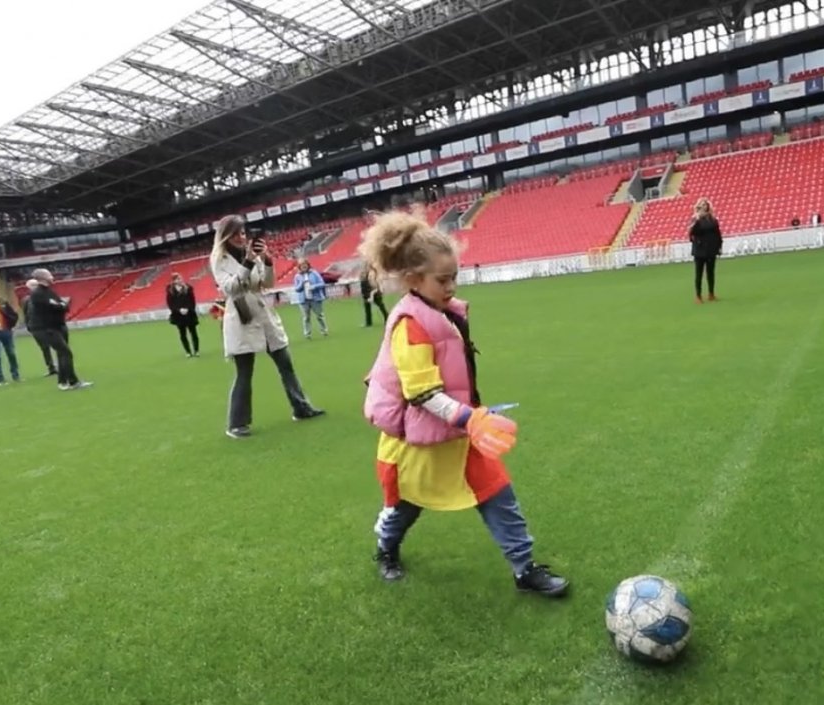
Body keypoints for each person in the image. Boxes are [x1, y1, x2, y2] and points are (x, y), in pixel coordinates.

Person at [358, 211, 569, 597]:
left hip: (459, 433)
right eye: (442, 279)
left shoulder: (444, 312)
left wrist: (467, 420)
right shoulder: (410, 324)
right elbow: (420, 393)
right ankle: (386, 550)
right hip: (414, 445)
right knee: (404, 508)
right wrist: (469, 417)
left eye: (454, 276)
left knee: (498, 495)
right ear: (412, 279)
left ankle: (525, 570)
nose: (451, 285)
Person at [210, 215, 324, 439]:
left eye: (243, 233)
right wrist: (249, 261)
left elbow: (268, 283)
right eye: (235, 234)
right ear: (225, 236)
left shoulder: (250, 252)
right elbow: (231, 289)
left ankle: (301, 407)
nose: (241, 238)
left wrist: (268, 260)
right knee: (244, 371)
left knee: (285, 363)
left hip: (264, 314)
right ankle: (236, 424)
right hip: (242, 316)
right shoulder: (218, 259)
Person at [28, 268, 92, 391]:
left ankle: (62, 382)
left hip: (58, 326)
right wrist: (60, 305)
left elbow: (63, 306)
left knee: (62, 353)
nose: (52, 277)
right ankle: (73, 382)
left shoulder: (49, 292)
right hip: (48, 328)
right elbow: (55, 306)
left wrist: (60, 305)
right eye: (50, 275)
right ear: (42, 278)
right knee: (66, 353)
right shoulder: (38, 293)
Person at [688, 197, 722, 303]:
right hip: (699, 250)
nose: (704, 206)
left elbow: (717, 234)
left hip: (711, 249)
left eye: (705, 204)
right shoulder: (695, 219)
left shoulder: (713, 219)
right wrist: (697, 219)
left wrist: (719, 246)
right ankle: (698, 296)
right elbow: (692, 233)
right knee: (699, 273)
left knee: (710, 272)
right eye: (702, 204)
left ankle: (711, 293)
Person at [22, 279, 57, 376]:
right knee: (44, 347)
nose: (34, 287)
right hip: (36, 328)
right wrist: (28, 325)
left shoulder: (46, 296)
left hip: (49, 325)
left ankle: (61, 365)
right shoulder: (26, 300)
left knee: (57, 345)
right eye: (32, 285)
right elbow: (26, 314)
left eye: (35, 285)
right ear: (28, 287)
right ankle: (51, 367)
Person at [291, 260, 330, 339]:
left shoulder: (314, 273)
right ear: (299, 267)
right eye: (301, 265)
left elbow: (322, 283)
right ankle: (307, 334)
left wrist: (314, 287)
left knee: (319, 315)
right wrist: (301, 284)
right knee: (306, 317)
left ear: (308, 265)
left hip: (315, 298)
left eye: (305, 264)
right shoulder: (297, 276)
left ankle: (324, 330)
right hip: (304, 300)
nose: (304, 266)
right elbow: (296, 289)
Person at [165, 273, 200, 358]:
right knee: (182, 334)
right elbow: (170, 304)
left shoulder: (188, 288)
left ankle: (196, 350)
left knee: (193, 333)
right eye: (177, 279)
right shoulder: (170, 291)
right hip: (178, 316)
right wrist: (179, 310)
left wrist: (188, 309)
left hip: (189, 314)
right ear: (173, 281)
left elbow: (192, 301)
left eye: (180, 278)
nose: (180, 280)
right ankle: (188, 352)